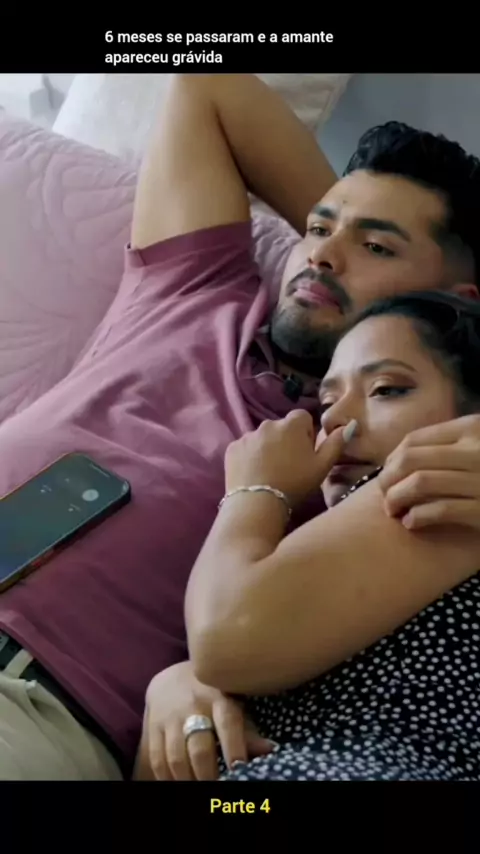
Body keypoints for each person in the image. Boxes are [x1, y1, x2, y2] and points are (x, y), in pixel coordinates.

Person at [1, 74, 480, 781]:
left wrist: (419, 326)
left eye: (378, 248)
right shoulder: (196, 290)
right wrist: (354, 234)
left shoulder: (373, 450)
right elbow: (208, 88)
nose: (321, 255)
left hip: (39, 704)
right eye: (318, 228)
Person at [155, 290, 480, 782]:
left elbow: (227, 636)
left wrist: (253, 491)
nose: (332, 420)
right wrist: (176, 686)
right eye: (327, 400)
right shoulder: (304, 558)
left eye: (387, 389)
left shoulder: (437, 482)